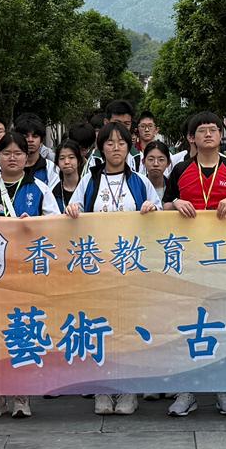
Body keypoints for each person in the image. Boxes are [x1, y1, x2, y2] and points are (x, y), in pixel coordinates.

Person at [0, 131, 61, 419]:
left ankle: (21, 394)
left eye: (18, 153)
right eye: (7, 153)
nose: (13, 158)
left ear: (27, 157)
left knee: (23, 330)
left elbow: (57, 225)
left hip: (26, 272)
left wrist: (37, 224)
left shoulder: (39, 189)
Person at [164, 111, 226, 418]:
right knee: (188, 324)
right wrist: (175, 203)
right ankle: (186, 390)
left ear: (221, 135)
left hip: (225, 259)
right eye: (202, 130)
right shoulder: (180, 170)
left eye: (213, 130)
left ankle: (223, 388)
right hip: (188, 258)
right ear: (192, 137)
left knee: (224, 322)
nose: (208, 135)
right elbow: (164, 206)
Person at [66, 122, 156, 416]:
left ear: (129, 147)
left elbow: (158, 216)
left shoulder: (140, 182)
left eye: (121, 142)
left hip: (132, 268)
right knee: (99, 328)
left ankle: (129, 390)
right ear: (100, 148)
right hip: (98, 268)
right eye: (109, 143)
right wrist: (73, 211)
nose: (115, 148)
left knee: (128, 329)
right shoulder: (89, 181)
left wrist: (151, 210)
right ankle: (102, 389)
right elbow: (73, 211)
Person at [15, 113, 59, 188]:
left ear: (41, 140)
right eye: (25, 136)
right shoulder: (9, 166)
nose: (30, 140)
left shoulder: (51, 169)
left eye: (35, 136)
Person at [54, 140, 85, 211]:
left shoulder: (87, 186)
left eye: (71, 157)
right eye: (62, 158)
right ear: (57, 163)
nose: (66, 162)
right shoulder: (55, 192)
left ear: (78, 160)